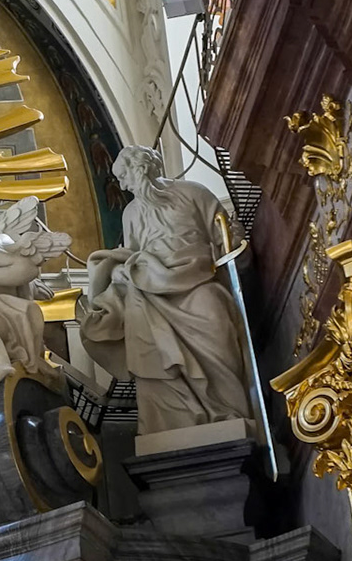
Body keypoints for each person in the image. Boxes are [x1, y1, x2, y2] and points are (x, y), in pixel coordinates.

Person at [79, 146, 253, 432]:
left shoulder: (194, 193)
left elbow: (224, 237)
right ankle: (172, 425)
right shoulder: (131, 212)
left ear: (140, 168)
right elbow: (132, 252)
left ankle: (229, 411)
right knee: (155, 354)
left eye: (123, 176)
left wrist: (234, 241)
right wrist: (119, 270)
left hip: (199, 279)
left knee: (218, 327)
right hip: (150, 293)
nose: (123, 185)